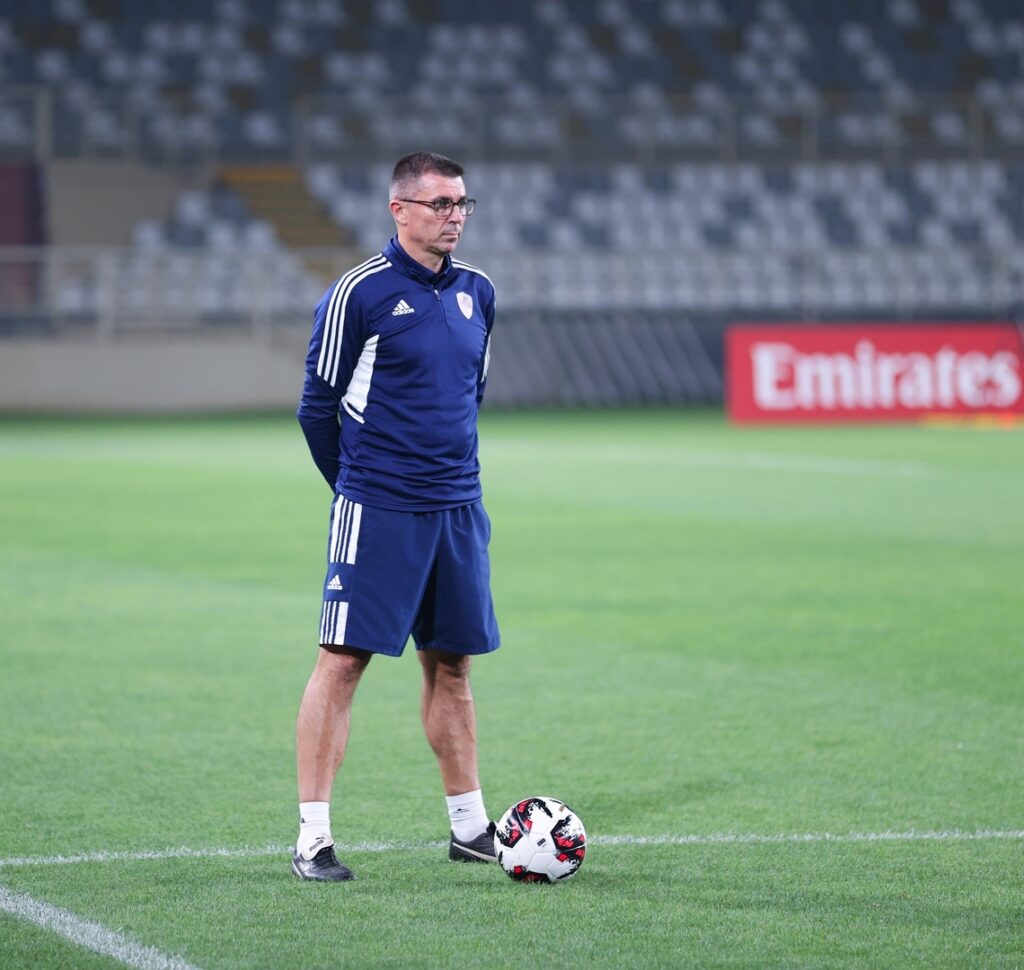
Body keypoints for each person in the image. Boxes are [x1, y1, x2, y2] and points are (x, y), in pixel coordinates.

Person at [291, 151, 500, 882]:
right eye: (440, 204)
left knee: (453, 666)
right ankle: (313, 838)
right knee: (343, 662)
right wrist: (356, 489)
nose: (454, 217)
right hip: (379, 509)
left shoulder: (479, 292)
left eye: (461, 204)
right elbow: (316, 408)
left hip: (458, 509)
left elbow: (469, 396)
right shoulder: (359, 292)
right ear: (399, 209)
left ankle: (470, 828)